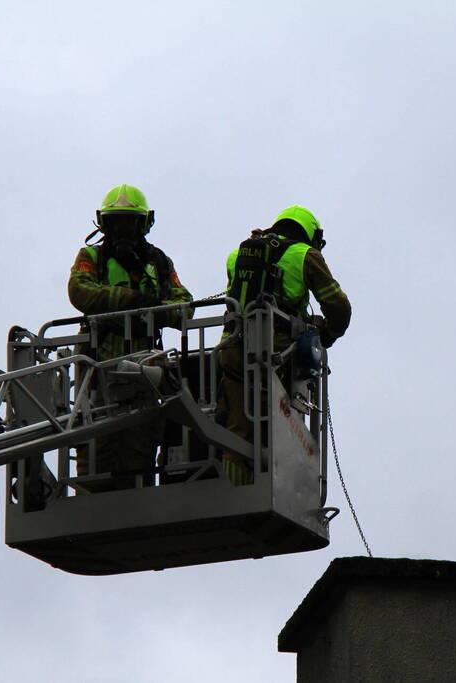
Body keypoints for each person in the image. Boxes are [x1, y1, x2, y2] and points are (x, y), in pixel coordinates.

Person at [68, 183, 193, 490]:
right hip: (98, 368)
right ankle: (92, 509)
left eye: (129, 221)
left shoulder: (160, 263)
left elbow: (184, 305)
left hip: (144, 368)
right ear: (104, 223)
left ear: (143, 224)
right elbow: (79, 291)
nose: (122, 228)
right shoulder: (91, 256)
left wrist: (154, 309)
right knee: (95, 446)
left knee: (140, 444)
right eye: (116, 221)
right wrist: (129, 300)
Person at [217, 205, 351, 484]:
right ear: (310, 234)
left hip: (231, 351)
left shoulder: (237, 254)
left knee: (235, 430)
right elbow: (338, 306)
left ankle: (231, 489)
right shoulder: (305, 255)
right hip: (277, 356)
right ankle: (273, 486)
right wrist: (327, 334)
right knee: (280, 431)